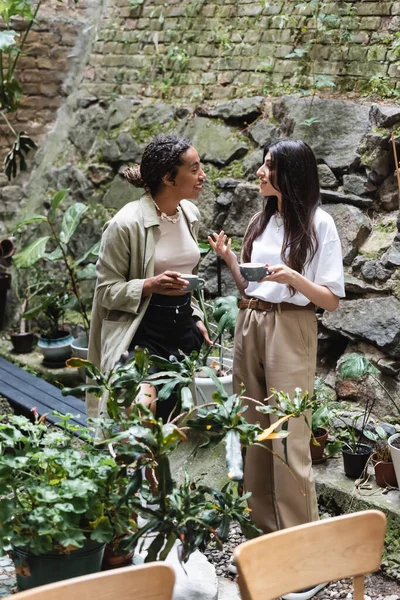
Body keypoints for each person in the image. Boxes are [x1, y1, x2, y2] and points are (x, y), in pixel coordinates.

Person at [209, 139, 345, 597]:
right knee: (251, 429)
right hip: (251, 320)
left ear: (291, 174)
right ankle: (265, 538)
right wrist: (230, 257)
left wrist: (293, 277)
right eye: (263, 164)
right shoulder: (260, 219)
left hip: (292, 326)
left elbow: (330, 299)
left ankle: (305, 560)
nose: (261, 172)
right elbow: (251, 283)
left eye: (270, 166)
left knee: (289, 434)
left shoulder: (319, 223)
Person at [87, 134, 211, 422]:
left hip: (182, 328)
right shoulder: (125, 223)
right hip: (141, 330)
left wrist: (196, 316)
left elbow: (187, 276)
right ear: (169, 177)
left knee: (177, 421)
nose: (202, 176)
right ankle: (136, 468)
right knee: (140, 412)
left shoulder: (189, 213)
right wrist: (149, 285)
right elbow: (105, 291)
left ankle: (160, 469)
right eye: (194, 170)